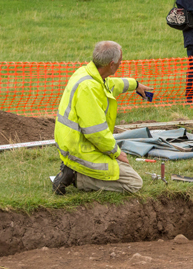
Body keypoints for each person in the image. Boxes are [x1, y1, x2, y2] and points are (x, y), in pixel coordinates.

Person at [52, 41, 152, 195]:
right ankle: (75, 176)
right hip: (80, 149)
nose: (121, 64)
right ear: (112, 64)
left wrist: (135, 85)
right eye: (120, 61)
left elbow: (112, 84)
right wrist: (117, 153)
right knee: (134, 183)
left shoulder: (87, 74)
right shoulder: (89, 88)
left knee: (120, 169)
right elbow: (95, 132)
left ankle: (74, 170)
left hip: (75, 143)